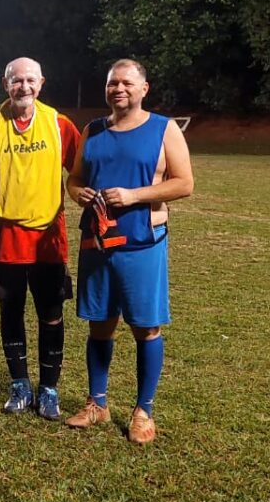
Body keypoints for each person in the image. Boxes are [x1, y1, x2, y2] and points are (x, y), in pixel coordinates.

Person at [65, 59, 193, 445]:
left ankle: (143, 411)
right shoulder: (94, 130)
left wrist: (135, 195)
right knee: (100, 322)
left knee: (145, 325)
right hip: (98, 241)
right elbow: (74, 180)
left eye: (126, 83)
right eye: (111, 83)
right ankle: (97, 404)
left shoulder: (163, 128)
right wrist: (79, 194)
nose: (118, 89)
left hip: (143, 242)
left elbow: (184, 183)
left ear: (143, 89)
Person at [0, 57, 81, 420]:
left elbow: (81, 172)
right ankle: (20, 385)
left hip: (49, 239)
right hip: (4, 238)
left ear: (41, 83)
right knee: (10, 312)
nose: (23, 87)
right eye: (16, 81)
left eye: (30, 80)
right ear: (5, 84)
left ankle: (49, 389)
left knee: (51, 314)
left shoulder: (60, 125)